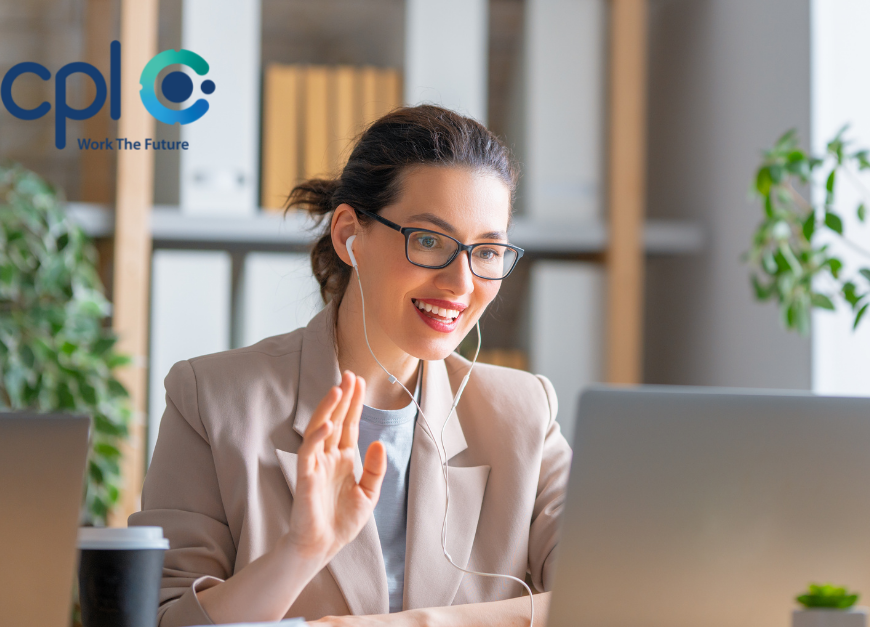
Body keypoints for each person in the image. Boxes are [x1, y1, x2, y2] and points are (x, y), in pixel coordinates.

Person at [128, 105, 571, 626]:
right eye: (429, 241)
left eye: (488, 252)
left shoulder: (524, 413)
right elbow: (166, 621)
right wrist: (299, 551)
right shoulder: (212, 399)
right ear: (348, 235)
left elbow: (610, 599)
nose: (462, 284)